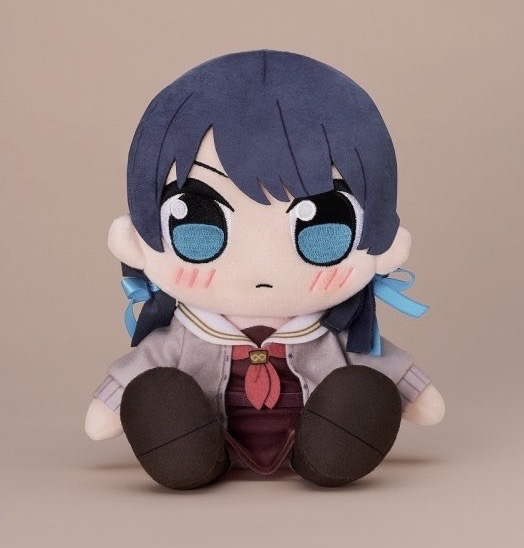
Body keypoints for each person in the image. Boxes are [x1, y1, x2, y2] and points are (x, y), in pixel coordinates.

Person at [85, 50, 445, 489]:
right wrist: (118, 403)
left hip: (310, 445)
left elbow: (390, 370)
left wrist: (408, 392)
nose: (260, 263)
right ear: (136, 241)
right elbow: (137, 372)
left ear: (384, 243)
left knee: (364, 389)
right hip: (210, 444)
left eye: (324, 227)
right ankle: (186, 455)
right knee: (157, 392)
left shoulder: (338, 333)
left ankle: (331, 454)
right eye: (198, 223)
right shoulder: (182, 338)